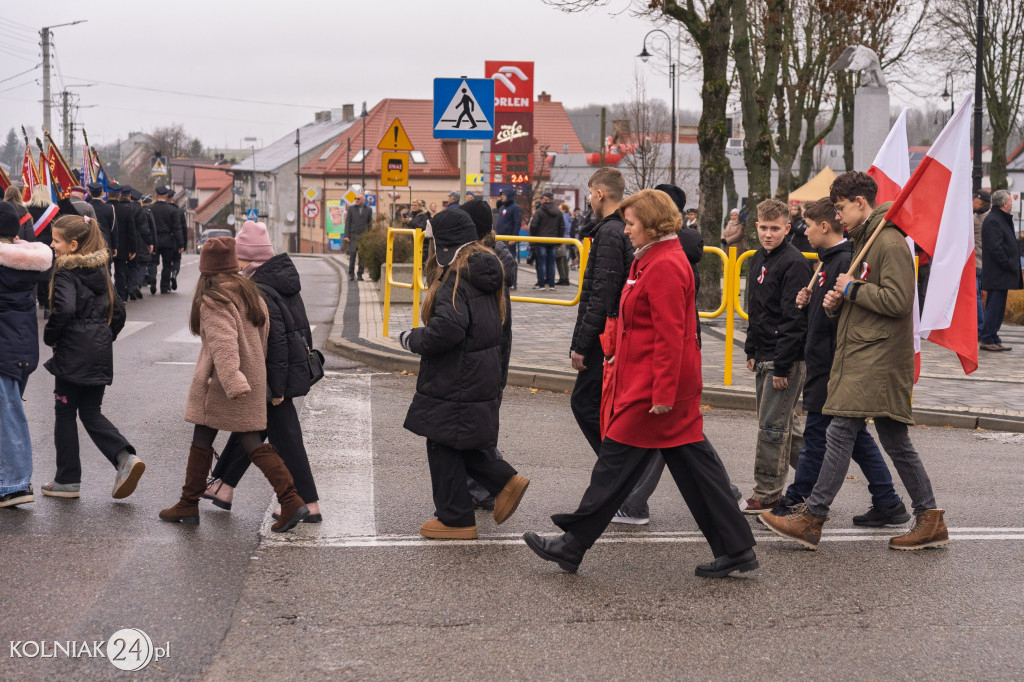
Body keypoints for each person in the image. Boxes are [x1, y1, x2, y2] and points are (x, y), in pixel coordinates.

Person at [523, 189, 758, 577]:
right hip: (653, 384)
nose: (626, 229)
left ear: (651, 224)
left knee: (614, 464)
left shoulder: (664, 264)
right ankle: (737, 548)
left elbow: (671, 335)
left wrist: (662, 393)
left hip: (655, 389)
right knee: (695, 470)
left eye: (631, 223)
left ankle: (573, 543)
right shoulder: (654, 258)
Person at [760, 171, 949, 551]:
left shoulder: (889, 241)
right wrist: (834, 303)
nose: (838, 215)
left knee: (840, 431)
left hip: (877, 358)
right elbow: (866, 303)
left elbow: (898, 301)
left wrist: (853, 288)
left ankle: (813, 517)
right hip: (863, 354)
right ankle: (929, 518)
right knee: (894, 441)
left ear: (860, 203)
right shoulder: (868, 239)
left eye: (842, 207)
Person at [772, 197, 909, 526]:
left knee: (818, 433)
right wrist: (810, 301)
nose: (803, 231)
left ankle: (800, 497)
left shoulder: (844, 260)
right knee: (855, 436)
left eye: (807, 224)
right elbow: (830, 312)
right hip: (823, 361)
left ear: (823, 226)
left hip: (833, 363)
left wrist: (838, 368)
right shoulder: (827, 261)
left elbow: (847, 319)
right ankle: (888, 501)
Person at [159, 237, 309, 532]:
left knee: (225, 440)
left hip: (224, 384)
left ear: (206, 270)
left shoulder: (215, 300)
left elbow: (224, 345)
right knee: (226, 438)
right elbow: (264, 340)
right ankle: (190, 503)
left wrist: (232, 381)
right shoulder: (251, 295)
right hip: (251, 379)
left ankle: (289, 500)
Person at [398, 209, 529, 539]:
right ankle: (501, 483)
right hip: (476, 371)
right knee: (455, 442)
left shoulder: (456, 280)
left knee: (441, 443)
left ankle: (456, 518)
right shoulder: (482, 273)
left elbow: (447, 331)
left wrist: (413, 338)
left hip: (456, 376)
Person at [202, 222, 322, 522]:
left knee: (285, 437)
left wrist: (276, 391)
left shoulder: (261, 289)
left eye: (237, 259)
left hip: (274, 377)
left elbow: (277, 345)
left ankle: (307, 501)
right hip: (282, 372)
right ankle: (223, 485)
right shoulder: (279, 277)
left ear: (247, 259)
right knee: (250, 427)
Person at [39, 214, 143, 500]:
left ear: (73, 245)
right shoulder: (101, 269)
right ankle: (124, 458)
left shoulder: (64, 272)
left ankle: (67, 481)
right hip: (99, 350)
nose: (52, 245)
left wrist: (51, 338)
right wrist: (104, 337)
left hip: (72, 351)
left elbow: (64, 309)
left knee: (65, 413)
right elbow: (119, 312)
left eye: (56, 240)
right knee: (91, 411)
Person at [742, 198, 812, 513]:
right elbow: (756, 308)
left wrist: (783, 366)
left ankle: (767, 491)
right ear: (756, 226)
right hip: (764, 351)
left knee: (772, 427)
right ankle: (819, 479)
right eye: (764, 228)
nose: (768, 234)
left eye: (775, 228)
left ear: (787, 228)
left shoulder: (794, 262)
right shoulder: (758, 257)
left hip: (785, 357)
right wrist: (751, 348)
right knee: (788, 427)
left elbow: (793, 319)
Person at [570, 168, 633, 455]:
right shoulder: (621, 228)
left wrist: (581, 345)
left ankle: (616, 470)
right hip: (613, 331)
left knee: (584, 403)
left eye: (590, 193)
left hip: (604, 335)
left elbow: (600, 295)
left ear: (600, 193)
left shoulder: (609, 232)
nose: (590, 200)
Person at [459, 199, 517, 510]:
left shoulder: (477, 263)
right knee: (481, 420)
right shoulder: (498, 257)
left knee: (475, 424)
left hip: (484, 354)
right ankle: (484, 487)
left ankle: (496, 484)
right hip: (496, 350)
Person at [0, 202, 54, 508]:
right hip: (20, 347)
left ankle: (15, 484)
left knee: (8, 417)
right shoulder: (24, 264)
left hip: (4, 349)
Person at [980, 189, 1022, 352]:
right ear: (1004, 203)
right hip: (997, 273)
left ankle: (993, 336)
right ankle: (987, 337)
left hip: (1001, 273)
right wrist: (1008, 263)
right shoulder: (994, 221)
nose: (1012, 203)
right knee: (994, 306)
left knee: (998, 306)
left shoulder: (1000, 218)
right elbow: (996, 248)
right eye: (1010, 200)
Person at [149, 186, 185, 294]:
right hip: (168, 240)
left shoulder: (151, 209)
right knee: (167, 264)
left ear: (156, 195)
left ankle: (153, 279)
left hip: (154, 240)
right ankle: (164, 287)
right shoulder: (172, 210)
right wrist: (180, 244)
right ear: (166, 196)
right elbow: (177, 228)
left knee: (153, 262)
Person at [109, 185, 141, 301]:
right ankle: (121, 296)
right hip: (122, 246)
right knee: (120, 272)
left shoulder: (105, 207)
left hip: (106, 245)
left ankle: (107, 295)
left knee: (106, 271)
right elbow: (131, 231)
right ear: (119, 195)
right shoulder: (127, 210)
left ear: (108, 194)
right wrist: (133, 249)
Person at [529, 192, 563, 290]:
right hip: (553, 240)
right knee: (552, 263)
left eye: (542, 198)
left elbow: (533, 225)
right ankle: (552, 285)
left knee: (541, 262)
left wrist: (533, 238)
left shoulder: (539, 211)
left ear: (545, 199)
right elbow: (561, 227)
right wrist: (559, 241)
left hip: (541, 240)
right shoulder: (558, 211)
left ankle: (541, 285)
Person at [494, 188, 522, 288]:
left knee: (510, 260)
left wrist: (514, 237)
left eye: (504, 195)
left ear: (509, 196)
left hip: (509, 239)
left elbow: (517, 223)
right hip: (500, 238)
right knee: (500, 260)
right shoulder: (502, 207)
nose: (501, 196)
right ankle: (503, 281)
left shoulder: (515, 208)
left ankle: (513, 282)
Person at [344, 193, 372, 281]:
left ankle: (360, 274)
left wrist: (370, 236)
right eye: (355, 198)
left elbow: (369, 224)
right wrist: (346, 235)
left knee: (362, 257)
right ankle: (351, 274)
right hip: (352, 236)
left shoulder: (368, 210)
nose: (356, 200)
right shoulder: (351, 209)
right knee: (352, 256)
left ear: (363, 200)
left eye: (358, 199)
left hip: (363, 236)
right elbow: (347, 222)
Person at [973, 190, 990, 334]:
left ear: (978, 202)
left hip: (975, 263)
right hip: (985, 263)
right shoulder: (990, 218)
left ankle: (979, 327)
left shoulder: (975, 220)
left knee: (975, 296)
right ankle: (981, 326)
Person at [85, 182, 116, 254]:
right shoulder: (109, 208)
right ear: (102, 193)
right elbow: (113, 228)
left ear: (90, 193)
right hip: (105, 242)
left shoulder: (86, 207)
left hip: (90, 243)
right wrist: (114, 247)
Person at [555, 202, 573, 285]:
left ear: (564, 210)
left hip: (562, 239)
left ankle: (563, 278)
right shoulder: (569, 217)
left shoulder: (563, 217)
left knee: (560, 259)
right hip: (568, 238)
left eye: (560, 209)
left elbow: (562, 227)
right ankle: (566, 277)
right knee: (564, 259)